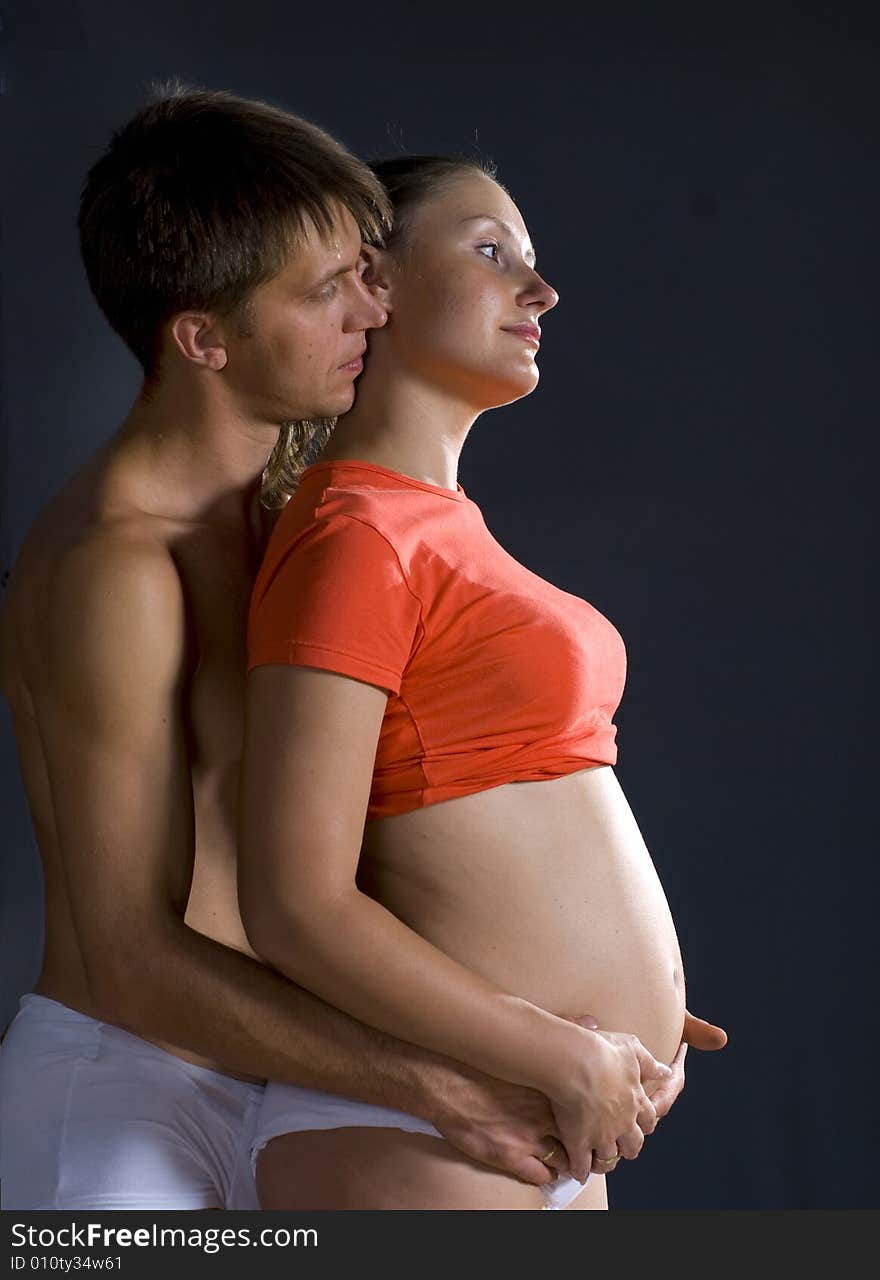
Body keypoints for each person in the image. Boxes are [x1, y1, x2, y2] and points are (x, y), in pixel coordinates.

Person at [0, 88, 717, 1213]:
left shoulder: (288, 514)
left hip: (302, 1058)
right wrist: (443, 1077)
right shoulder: (118, 563)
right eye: (330, 290)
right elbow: (132, 954)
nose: (370, 310)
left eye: (369, 274)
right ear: (203, 337)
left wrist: (561, 965)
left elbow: (375, 812)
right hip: (136, 1085)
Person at [238, 155, 727, 1211]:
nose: (539, 291)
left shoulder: (435, 529)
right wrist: (560, 1045)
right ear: (376, 285)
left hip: (551, 1120)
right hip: (429, 1124)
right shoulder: (354, 534)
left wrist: (629, 1012)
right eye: (490, 252)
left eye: (534, 263)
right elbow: (293, 902)